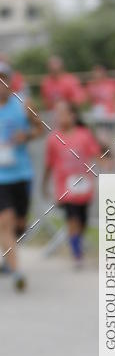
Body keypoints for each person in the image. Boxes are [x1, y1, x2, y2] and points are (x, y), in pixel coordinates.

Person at [42, 100, 108, 266]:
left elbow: (96, 154)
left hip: (84, 186)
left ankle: (77, 241)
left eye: (64, 113)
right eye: (57, 114)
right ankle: (76, 253)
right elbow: (48, 164)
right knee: (72, 219)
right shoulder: (53, 139)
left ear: (73, 115)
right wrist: (44, 184)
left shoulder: (84, 134)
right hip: (64, 187)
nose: (60, 117)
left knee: (83, 220)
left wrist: (106, 165)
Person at [0, 62, 44, 290]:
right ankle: (17, 271)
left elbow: (40, 128)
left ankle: (9, 254)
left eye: (3, 78)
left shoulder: (23, 104)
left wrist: (25, 135)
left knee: (19, 225)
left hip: (21, 173)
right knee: (4, 223)